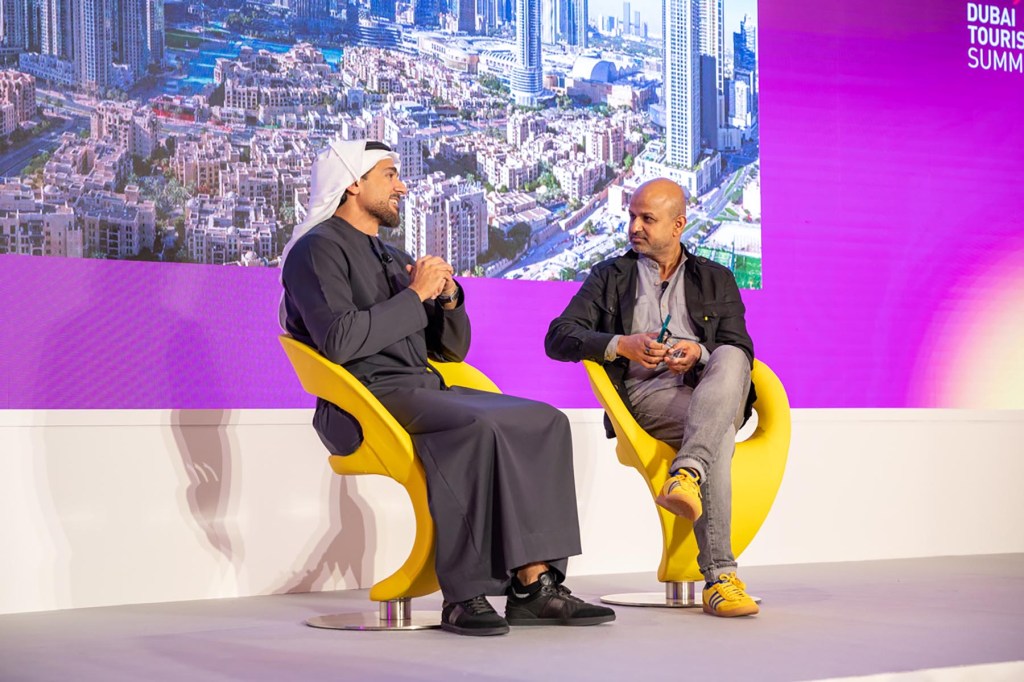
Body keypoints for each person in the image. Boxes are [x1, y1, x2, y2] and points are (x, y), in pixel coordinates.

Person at [280, 139, 615, 636]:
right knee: (475, 427)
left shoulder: (391, 256)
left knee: (545, 419)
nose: (402, 185)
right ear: (354, 183)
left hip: (421, 387)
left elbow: (450, 352)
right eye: (390, 175)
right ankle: (462, 596)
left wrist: (451, 300)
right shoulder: (316, 250)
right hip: (364, 399)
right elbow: (340, 339)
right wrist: (416, 294)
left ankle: (535, 584)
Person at [545, 177, 760, 618]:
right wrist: (621, 344)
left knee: (733, 357)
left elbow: (742, 351)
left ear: (678, 225)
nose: (634, 227)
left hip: (708, 390)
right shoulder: (610, 276)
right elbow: (558, 337)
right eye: (632, 217)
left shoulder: (715, 278)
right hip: (648, 398)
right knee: (714, 436)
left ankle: (686, 473)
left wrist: (698, 353)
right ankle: (720, 578)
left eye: (647, 218)